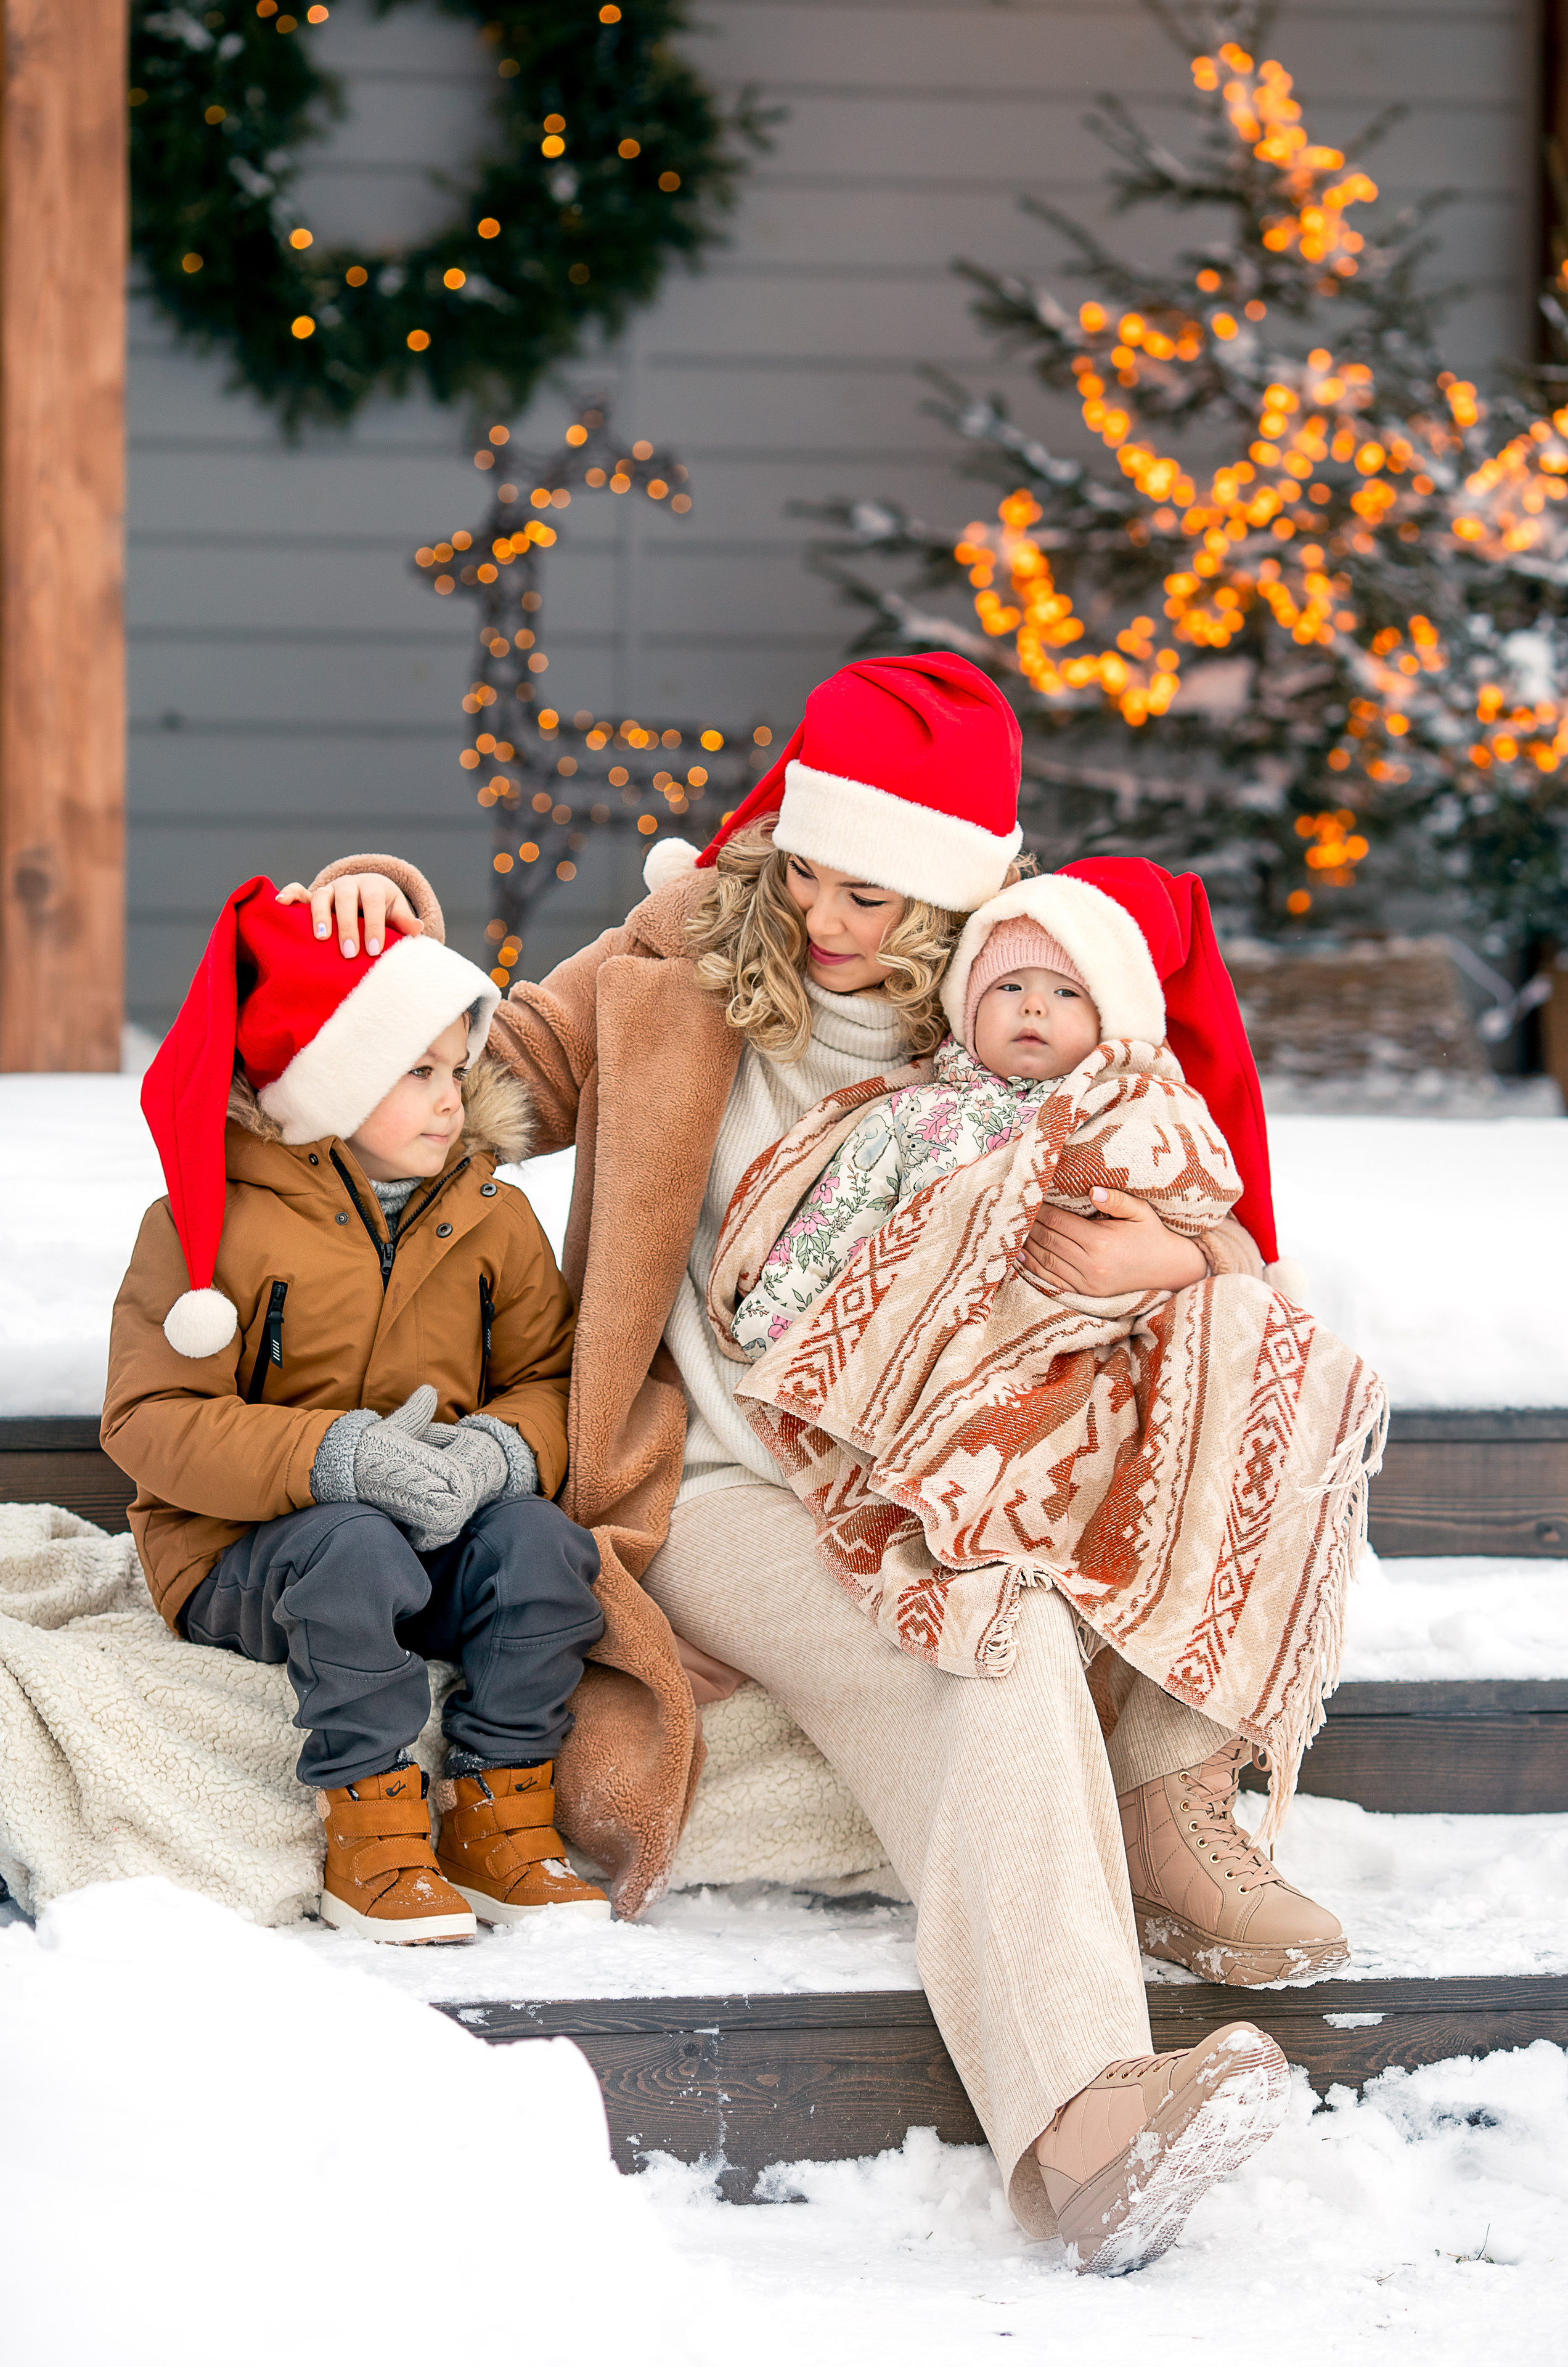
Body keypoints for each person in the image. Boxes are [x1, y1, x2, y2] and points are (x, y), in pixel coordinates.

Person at [284, 653, 1345, 2271]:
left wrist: (1181, 1255)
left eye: (872, 892)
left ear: (956, 901)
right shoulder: (673, 975)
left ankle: (1161, 1831)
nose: (825, 917)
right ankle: (1086, 2122)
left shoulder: (1022, 1015)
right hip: (718, 1484)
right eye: (807, 872)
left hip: (957, 1464)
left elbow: (1188, 1192)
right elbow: (460, 1090)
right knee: (978, 1633)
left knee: (1179, 1418)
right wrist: (373, 946)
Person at [102, 877, 609, 1945]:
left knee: (540, 1546)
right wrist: (337, 1455)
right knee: (353, 1547)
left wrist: (495, 1454)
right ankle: (372, 1825)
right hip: (243, 1554)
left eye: (456, 1069)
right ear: (325, 1082)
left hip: (436, 1531)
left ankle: (499, 1806)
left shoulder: (494, 1217)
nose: (450, 1099)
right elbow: (152, 1420)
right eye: (415, 1072)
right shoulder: (207, 1225)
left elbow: (552, 1380)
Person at [730, 867, 1243, 1357]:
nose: (1034, 1006)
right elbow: (838, 1217)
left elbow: (1209, 1198)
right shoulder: (917, 1115)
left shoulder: (1138, 1112)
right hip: (948, 1348)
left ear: (1108, 1023)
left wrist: (1179, 1260)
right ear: (969, 1011)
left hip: (1096, 1342)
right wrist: (772, 1325)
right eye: (1010, 987)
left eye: (1066, 993)